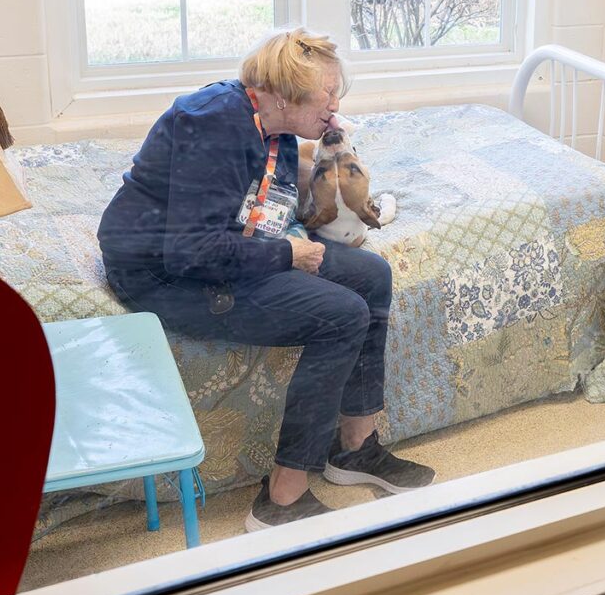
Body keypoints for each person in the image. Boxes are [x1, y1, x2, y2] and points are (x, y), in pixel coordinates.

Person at [97, 28, 435, 531]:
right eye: (328, 94)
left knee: (372, 275)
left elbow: (258, 200)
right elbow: (191, 253)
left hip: (228, 245)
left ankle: (355, 450)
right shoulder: (213, 124)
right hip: (162, 272)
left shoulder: (269, 122)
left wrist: (304, 222)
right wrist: (285, 254)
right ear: (285, 92)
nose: (336, 108)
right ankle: (282, 497)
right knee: (342, 315)